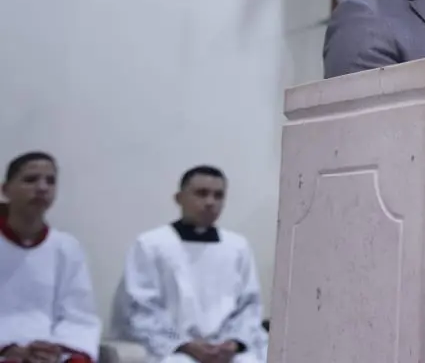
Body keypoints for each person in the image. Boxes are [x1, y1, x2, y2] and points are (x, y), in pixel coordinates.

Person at [113, 167, 267, 363]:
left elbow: (249, 306)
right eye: (201, 193)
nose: (210, 202)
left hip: (226, 349)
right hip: (173, 349)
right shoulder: (151, 244)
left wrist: (234, 343)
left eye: (218, 195)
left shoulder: (237, 246)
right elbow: (140, 309)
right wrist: (185, 344)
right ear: (179, 198)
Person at [0, 152, 101, 363]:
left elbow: (80, 316)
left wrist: (56, 350)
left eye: (50, 181)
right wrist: (7, 348)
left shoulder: (67, 247)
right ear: (5, 190)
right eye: (30, 179)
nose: (42, 188)